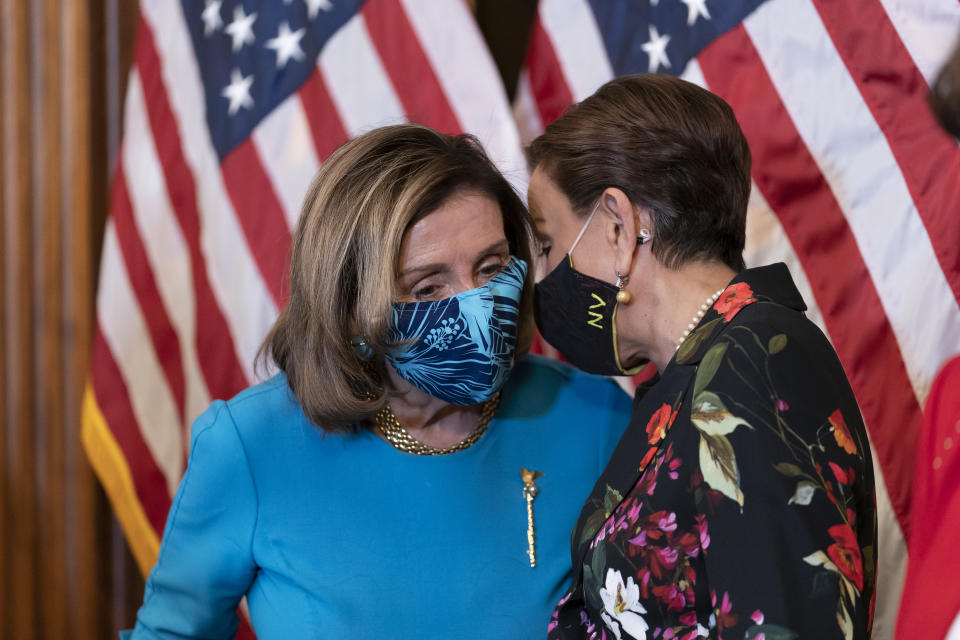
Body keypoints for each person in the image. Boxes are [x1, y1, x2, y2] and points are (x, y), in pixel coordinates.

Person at [121, 124, 632, 639]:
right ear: (350, 311)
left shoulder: (593, 417)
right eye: (429, 286)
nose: (476, 303)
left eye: (491, 267)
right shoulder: (248, 445)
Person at [527, 74, 877, 640]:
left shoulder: (754, 362)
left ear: (618, 227)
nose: (542, 277)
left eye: (546, 244)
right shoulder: (700, 371)